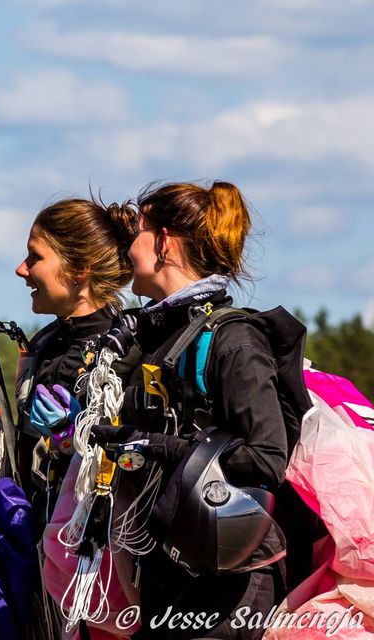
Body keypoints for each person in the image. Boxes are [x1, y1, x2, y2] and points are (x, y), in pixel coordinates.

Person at [91, 181, 309, 640]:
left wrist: (156, 445)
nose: (128, 249)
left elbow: (267, 457)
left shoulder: (234, 340)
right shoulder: (161, 335)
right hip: (171, 567)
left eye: (138, 233)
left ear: (164, 242)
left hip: (229, 583)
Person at [14, 197, 137, 532]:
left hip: (93, 538)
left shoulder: (124, 352)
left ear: (79, 271)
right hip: (37, 532)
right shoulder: (44, 343)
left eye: (35, 257)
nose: (22, 269)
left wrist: (76, 439)